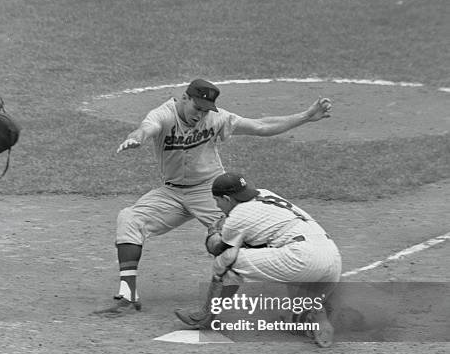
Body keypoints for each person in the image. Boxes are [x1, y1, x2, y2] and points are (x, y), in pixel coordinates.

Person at [94, 78, 333, 315]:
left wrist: (305, 116)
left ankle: (306, 296)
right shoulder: (165, 114)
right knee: (130, 218)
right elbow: (149, 127)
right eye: (197, 108)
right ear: (184, 98)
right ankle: (127, 294)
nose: (200, 115)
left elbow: (260, 126)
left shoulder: (216, 118)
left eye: (206, 110)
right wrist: (138, 137)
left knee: (247, 236)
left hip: (212, 193)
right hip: (172, 192)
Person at [175, 172, 342, 347]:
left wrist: (213, 231)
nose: (217, 206)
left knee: (227, 262)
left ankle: (205, 316)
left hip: (302, 257)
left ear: (226, 198)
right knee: (295, 320)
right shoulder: (265, 193)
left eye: (217, 201)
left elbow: (217, 249)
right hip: (331, 258)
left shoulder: (238, 215)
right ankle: (313, 312)